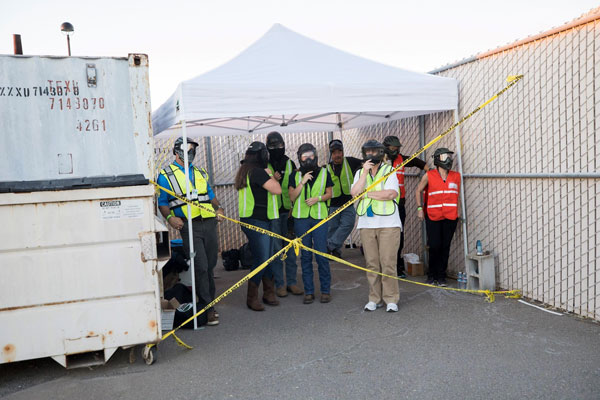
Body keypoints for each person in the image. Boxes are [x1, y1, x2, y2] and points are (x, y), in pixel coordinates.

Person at [157, 137, 224, 326]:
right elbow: (162, 203)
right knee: (201, 266)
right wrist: (170, 218)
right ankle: (207, 307)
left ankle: (207, 302)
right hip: (189, 226)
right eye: (187, 148)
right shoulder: (165, 175)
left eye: (193, 148)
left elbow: (211, 196)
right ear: (177, 151)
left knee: (210, 265)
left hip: (209, 223)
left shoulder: (201, 172)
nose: (191, 151)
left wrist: (219, 209)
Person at [351, 140, 401, 313]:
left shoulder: (389, 171)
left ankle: (391, 299)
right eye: (368, 152)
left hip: (389, 225)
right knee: (372, 263)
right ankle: (375, 298)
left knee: (387, 263)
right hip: (366, 225)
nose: (371, 155)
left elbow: (390, 193)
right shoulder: (360, 173)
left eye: (374, 151)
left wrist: (366, 194)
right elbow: (354, 193)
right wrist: (364, 173)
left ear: (381, 153)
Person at [235, 141, 283, 311]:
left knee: (267, 256)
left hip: (254, 220)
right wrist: (269, 175)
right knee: (262, 259)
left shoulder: (246, 170)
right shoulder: (258, 172)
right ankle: (252, 297)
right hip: (257, 221)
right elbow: (277, 190)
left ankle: (269, 293)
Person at [289, 143, 333, 304]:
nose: (308, 159)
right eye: (304, 156)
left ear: (315, 156)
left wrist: (318, 199)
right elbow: (292, 197)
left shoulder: (323, 172)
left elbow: (329, 193)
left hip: (319, 218)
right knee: (305, 256)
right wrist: (302, 181)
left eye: (311, 155)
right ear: (299, 158)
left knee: (321, 254)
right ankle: (309, 291)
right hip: (301, 220)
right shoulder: (294, 175)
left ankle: (325, 291)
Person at [382, 136, 429, 278]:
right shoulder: (378, 161)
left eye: (397, 148)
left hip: (399, 204)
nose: (396, 150)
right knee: (384, 236)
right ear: (386, 148)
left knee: (398, 236)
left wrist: (429, 171)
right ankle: (384, 266)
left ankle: (397, 266)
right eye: (392, 148)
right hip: (383, 205)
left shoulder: (401, 159)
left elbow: (418, 162)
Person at [415, 148, 461, 287]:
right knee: (434, 246)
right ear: (437, 160)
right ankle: (431, 274)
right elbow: (418, 190)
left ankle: (441, 276)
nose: (448, 159)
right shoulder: (429, 175)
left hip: (450, 216)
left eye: (449, 156)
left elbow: (456, 194)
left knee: (445, 247)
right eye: (444, 156)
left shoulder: (456, 176)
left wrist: (458, 211)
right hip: (433, 216)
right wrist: (419, 209)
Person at [265, 132, 303, 297]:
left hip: (289, 213)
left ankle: (292, 283)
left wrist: (293, 208)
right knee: (276, 250)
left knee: (291, 248)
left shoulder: (289, 163)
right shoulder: (264, 165)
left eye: (279, 146)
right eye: (273, 146)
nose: (277, 149)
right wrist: (272, 178)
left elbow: (295, 186)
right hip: (272, 213)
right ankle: (279, 284)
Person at [326, 139, 363, 259]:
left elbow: (365, 163)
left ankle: (329, 246)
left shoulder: (351, 161)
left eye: (339, 152)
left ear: (342, 152)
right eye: (334, 152)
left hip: (348, 203)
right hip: (332, 204)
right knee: (332, 228)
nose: (337, 155)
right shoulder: (326, 168)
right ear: (331, 154)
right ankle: (335, 251)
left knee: (348, 224)